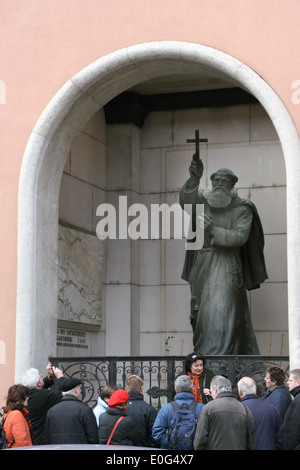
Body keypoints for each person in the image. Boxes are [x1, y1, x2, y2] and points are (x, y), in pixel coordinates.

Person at [180, 157, 267, 354]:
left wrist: (213, 228)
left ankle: (217, 364)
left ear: (232, 184)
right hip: (202, 266)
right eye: (215, 180)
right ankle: (202, 364)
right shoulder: (204, 201)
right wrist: (194, 179)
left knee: (222, 314)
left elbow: (239, 236)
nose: (218, 184)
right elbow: (186, 203)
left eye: (223, 181)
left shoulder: (242, 208)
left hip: (227, 265)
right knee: (202, 317)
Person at [22, 362, 79, 445]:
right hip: (39, 440)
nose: (42, 377)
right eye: (40, 376)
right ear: (38, 383)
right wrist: (60, 377)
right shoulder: (42, 395)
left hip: (33, 437)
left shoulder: (29, 393)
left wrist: (50, 377)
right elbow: (60, 394)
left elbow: (40, 388)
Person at [194, 375, 255, 450]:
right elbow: (251, 442)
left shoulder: (208, 408)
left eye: (211, 391)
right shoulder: (245, 409)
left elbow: (200, 441)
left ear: (215, 390)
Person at [152, 375, 204, 449]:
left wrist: (172, 442)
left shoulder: (166, 409)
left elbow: (157, 433)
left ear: (176, 390)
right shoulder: (202, 408)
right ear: (192, 389)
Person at [43, 377, 98, 444]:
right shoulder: (85, 410)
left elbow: (46, 438)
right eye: (79, 388)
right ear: (76, 390)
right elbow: (93, 437)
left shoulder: (51, 411)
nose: (80, 391)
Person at [237, 376, 282, 450]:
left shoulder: (237, 410)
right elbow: (280, 438)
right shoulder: (271, 408)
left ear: (239, 392)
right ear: (256, 389)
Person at [125, 375, 158, 447]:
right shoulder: (149, 410)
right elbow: (154, 435)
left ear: (127, 389)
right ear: (141, 389)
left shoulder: (120, 408)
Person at [282, 368, 300, 450]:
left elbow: (294, 430)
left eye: (290, 380)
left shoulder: (298, 400)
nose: (287, 382)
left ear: (298, 382)